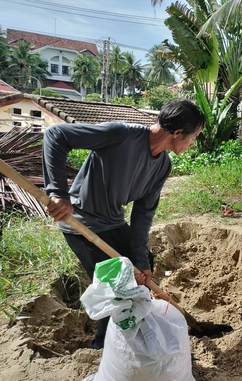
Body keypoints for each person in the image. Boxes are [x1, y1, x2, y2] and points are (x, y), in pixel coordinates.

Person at [42, 99, 205, 349]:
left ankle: (127, 331)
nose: (192, 143)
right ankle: (102, 347)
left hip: (112, 222)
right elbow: (56, 135)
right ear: (178, 132)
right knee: (117, 287)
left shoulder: (162, 166)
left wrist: (140, 261)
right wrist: (58, 193)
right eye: (193, 137)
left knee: (143, 265)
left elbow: (143, 215)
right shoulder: (120, 135)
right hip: (81, 223)